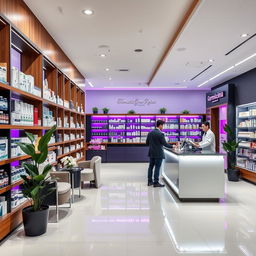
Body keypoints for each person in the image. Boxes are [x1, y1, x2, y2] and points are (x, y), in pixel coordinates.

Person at [146, 120, 172, 187]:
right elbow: (165, 144)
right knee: (157, 167)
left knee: (151, 167)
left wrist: (153, 145)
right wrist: (173, 146)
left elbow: (147, 143)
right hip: (158, 154)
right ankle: (156, 182)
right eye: (163, 125)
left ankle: (149, 181)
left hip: (151, 153)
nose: (163, 127)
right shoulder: (160, 134)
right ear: (160, 125)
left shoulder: (150, 133)